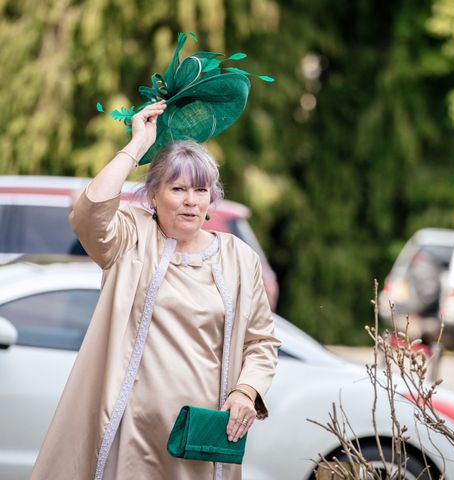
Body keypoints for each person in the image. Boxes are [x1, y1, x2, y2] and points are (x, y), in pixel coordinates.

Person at [30, 100, 280, 480]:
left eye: (200, 189)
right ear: (153, 195)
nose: (191, 201)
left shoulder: (237, 257)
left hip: (199, 437)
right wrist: (137, 145)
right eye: (178, 188)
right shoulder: (131, 237)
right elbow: (88, 212)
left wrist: (246, 392)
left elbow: (262, 341)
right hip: (127, 431)